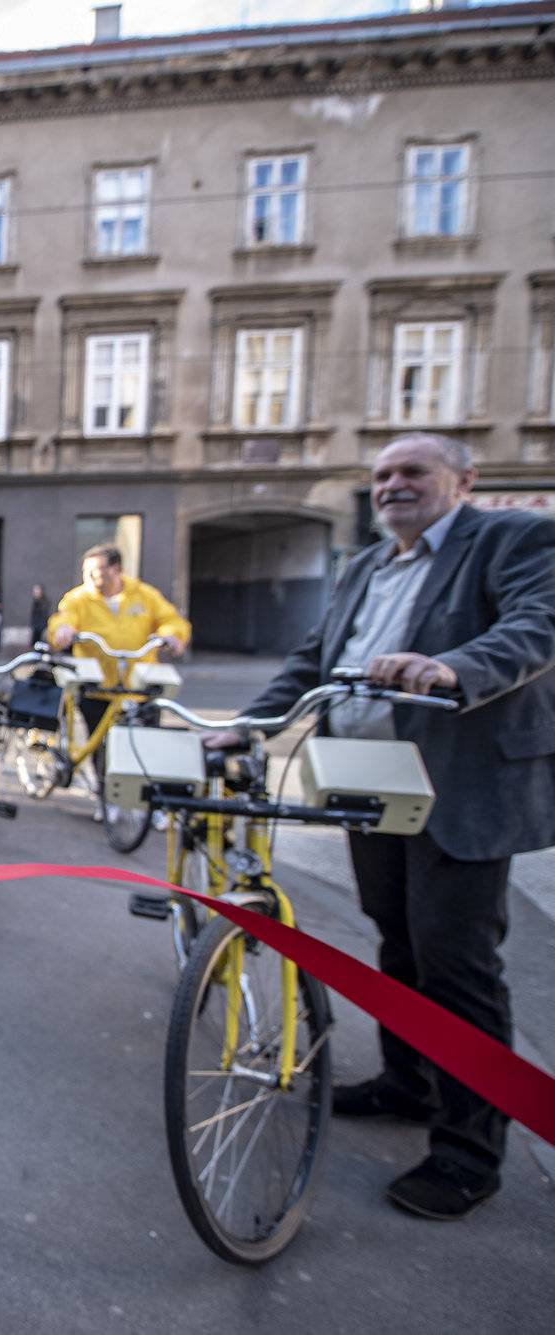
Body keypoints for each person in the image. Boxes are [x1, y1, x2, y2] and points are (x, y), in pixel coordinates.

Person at [203, 432, 555, 1221]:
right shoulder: (365, 564)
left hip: (458, 786)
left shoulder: (514, 536)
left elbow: (539, 625)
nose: (394, 485)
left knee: (457, 962)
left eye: (413, 472)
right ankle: (409, 1081)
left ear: (463, 479)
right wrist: (248, 725)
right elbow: (317, 658)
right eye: (383, 474)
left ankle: (468, 1152)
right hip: (367, 783)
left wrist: (456, 665)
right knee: (394, 937)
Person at [46, 543, 190, 814]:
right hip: (97, 684)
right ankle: (106, 798)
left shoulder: (144, 595)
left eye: (97, 571)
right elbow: (62, 619)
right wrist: (62, 631)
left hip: (137, 685)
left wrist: (172, 635)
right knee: (100, 746)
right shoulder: (78, 598)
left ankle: (146, 803)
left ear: (116, 570)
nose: (91, 578)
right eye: (87, 572)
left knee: (146, 743)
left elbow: (171, 619)